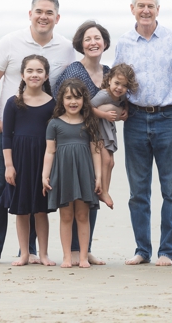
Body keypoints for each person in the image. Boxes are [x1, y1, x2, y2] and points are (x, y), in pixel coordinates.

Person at [0, 0, 75, 265]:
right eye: (38, 11)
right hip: (9, 132)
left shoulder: (66, 48)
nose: (43, 16)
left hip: (45, 138)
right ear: (30, 14)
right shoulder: (10, 41)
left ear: (57, 18)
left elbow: (73, 88)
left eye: (49, 12)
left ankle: (32, 251)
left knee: (35, 193)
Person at [117, 0, 172, 266]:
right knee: (138, 191)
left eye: (151, 6)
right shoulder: (124, 43)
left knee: (171, 189)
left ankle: (167, 251)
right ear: (131, 8)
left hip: (168, 118)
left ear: (159, 9)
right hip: (134, 119)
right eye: (140, 5)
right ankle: (142, 250)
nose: (146, 10)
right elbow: (117, 81)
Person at [51, 20, 118, 264]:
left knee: (94, 187)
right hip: (80, 133)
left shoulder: (109, 71)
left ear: (105, 43)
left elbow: (120, 98)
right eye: (88, 39)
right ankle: (75, 251)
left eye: (98, 38)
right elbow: (63, 101)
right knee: (80, 192)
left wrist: (121, 111)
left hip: (104, 132)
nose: (93, 43)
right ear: (81, 43)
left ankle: (85, 249)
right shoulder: (74, 71)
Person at [0, 54, 56, 267]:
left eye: (39, 71)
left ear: (46, 75)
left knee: (41, 210)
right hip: (20, 161)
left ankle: (43, 254)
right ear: (22, 75)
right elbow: (6, 136)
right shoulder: (13, 103)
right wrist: (9, 165)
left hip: (43, 161)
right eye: (30, 71)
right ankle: (24, 253)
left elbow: (54, 137)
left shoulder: (52, 104)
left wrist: (50, 169)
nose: (34, 75)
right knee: (21, 209)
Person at [41, 79, 103, 269]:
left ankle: (83, 257)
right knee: (66, 216)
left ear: (84, 100)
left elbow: (96, 151)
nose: (73, 102)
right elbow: (50, 151)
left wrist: (98, 177)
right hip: (63, 174)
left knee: (83, 215)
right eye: (68, 98)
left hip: (84, 173)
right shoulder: (54, 124)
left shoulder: (90, 122)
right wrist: (45, 175)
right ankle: (67, 257)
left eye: (77, 97)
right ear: (62, 100)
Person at [87, 64, 135, 209]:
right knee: (106, 160)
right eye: (117, 83)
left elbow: (125, 102)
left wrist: (125, 109)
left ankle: (105, 189)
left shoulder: (122, 96)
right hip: (99, 129)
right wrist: (104, 115)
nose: (119, 88)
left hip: (108, 129)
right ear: (109, 80)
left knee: (111, 163)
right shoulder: (104, 94)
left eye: (124, 85)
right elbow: (89, 107)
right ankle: (103, 190)